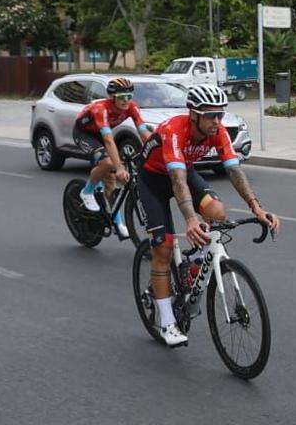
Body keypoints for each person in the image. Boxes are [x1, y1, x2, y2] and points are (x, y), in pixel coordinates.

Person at [138, 82, 281, 348]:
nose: (217, 121)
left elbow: (235, 170)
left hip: (184, 171)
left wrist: (257, 207)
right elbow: (178, 182)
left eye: (221, 114)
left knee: (217, 210)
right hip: (153, 180)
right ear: (194, 114)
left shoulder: (219, 131)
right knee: (164, 249)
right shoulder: (173, 131)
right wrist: (191, 219)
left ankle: (197, 261)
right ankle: (167, 321)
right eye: (211, 115)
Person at [76, 76, 149, 237]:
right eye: (122, 97)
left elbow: (144, 133)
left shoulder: (132, 107)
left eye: (129, 97)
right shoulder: (100, 108)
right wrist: (120, 168)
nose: (126, 101)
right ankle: (87, 191)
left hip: (102, 135)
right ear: (112, 97)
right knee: (109, 163)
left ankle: (118, 222)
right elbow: (109, 140)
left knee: (111, 184)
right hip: (85, 134)